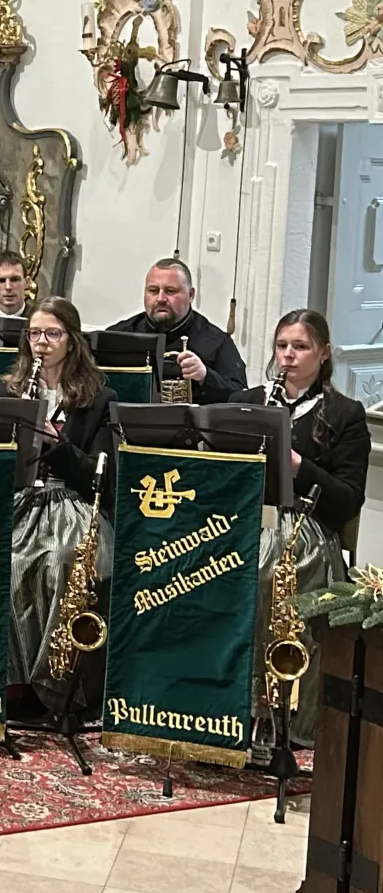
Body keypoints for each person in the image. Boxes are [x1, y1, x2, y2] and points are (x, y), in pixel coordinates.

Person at [230, 309, 367, 746]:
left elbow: (348, 499)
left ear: (323, 354)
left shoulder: (346, 414)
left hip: (308, 531)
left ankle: (273, 710)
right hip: (253, 519)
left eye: (301, 347)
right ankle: (218, 706)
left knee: (265, 572)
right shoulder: (252, 403)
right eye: (282, 346)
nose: (288, 356)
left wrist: (298, 464)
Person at [0, 297, 115, 716]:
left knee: (62, 559)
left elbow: (101, 478)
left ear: (72, 340)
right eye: (34, 333)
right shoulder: (3, 390)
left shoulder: (99, 397)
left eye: (52, 334)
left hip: (73, 503)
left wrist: (55, 444)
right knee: (1, 558)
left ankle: (56, 684)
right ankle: (9, 684)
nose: (41, 343)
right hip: (17, 500)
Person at [108, 257, 247, 405]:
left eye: (170, 291)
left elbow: (241, 398)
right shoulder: (119, 335)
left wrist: (206, 377)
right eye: (153, 291)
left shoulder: (217, 342)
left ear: (191, 295)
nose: (161, 299)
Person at [0, 250, 29, 318]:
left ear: (26, 282)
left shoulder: (42, 320)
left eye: (15, 279)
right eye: (1, 280)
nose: (8, 287)